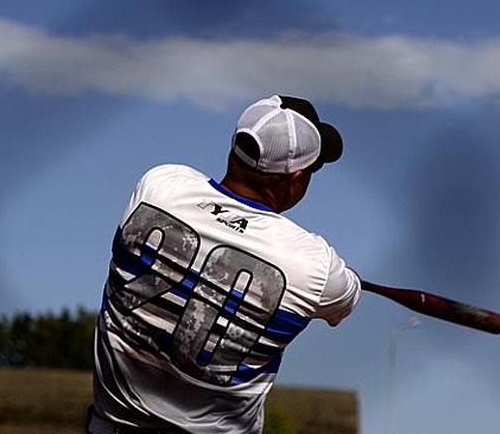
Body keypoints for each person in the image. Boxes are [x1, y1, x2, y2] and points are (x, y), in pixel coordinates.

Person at [87, 95, 361, 434]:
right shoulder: (312, 264)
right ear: (295, 179)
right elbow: (344, 297)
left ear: (235, 149)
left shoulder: (159, 186)